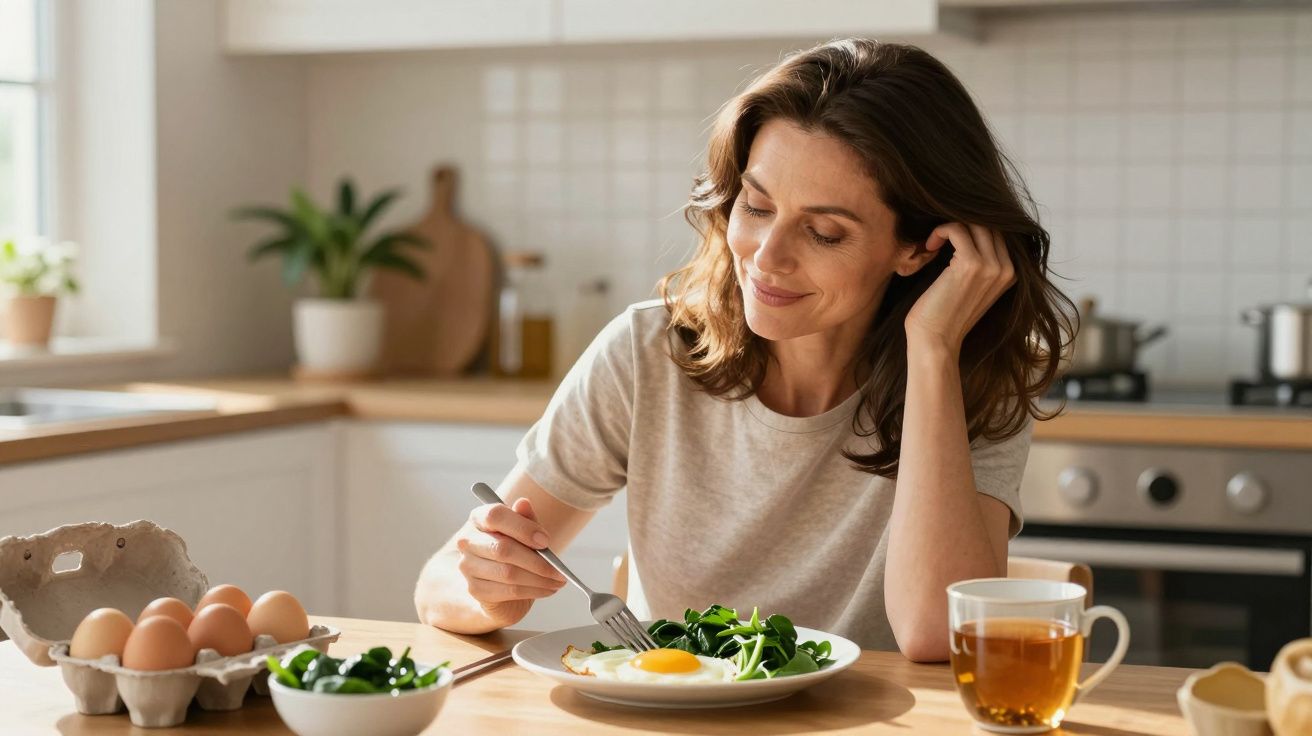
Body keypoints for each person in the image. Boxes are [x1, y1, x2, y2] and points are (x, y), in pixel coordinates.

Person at [414, 38, 1073, 662]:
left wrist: (932, 350)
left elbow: (937, 634)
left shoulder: (975, 377)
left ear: (919, 249)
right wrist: (484, 585)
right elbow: (439, 586)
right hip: (673, 715)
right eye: (756, 207)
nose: (767, 256)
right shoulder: (647, 354)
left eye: (824, 232)